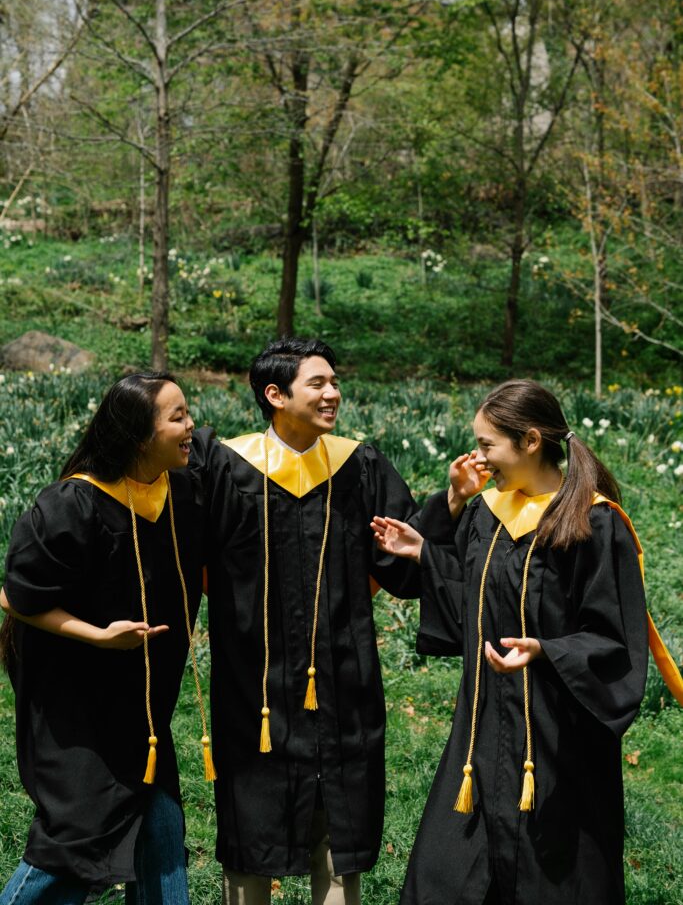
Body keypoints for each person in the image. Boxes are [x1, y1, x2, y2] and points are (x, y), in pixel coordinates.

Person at [372, 379, 683, 905]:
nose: (479, 456)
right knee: (447, 879)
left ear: (532, 441)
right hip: (483, 729)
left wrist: (546, 651)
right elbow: (473, 598)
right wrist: (426, 550)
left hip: (558, 735)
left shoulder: (593, 523)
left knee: (554, 878)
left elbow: (614, 638)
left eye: (489, 444)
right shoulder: (488, 515)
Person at [201, 337, 456, 905]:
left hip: (343, 678)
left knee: (342, 822)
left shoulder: (358, 465)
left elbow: (403, 565)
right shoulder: (225, 467)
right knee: (251, 820)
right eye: (318, 383)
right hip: (255, 684)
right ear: (275, 395)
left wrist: (452, 504)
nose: (333, 393)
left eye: (335, 382)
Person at [0, 372, 216, 905]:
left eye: (189, 414)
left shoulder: (182, 491)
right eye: (178, 417)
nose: (192, 427)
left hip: (142, 707)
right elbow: (15, 598)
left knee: (162, 833)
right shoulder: (72, 505)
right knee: (75, 844)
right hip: (78, 707)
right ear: (140, 436)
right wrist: (97, 636)